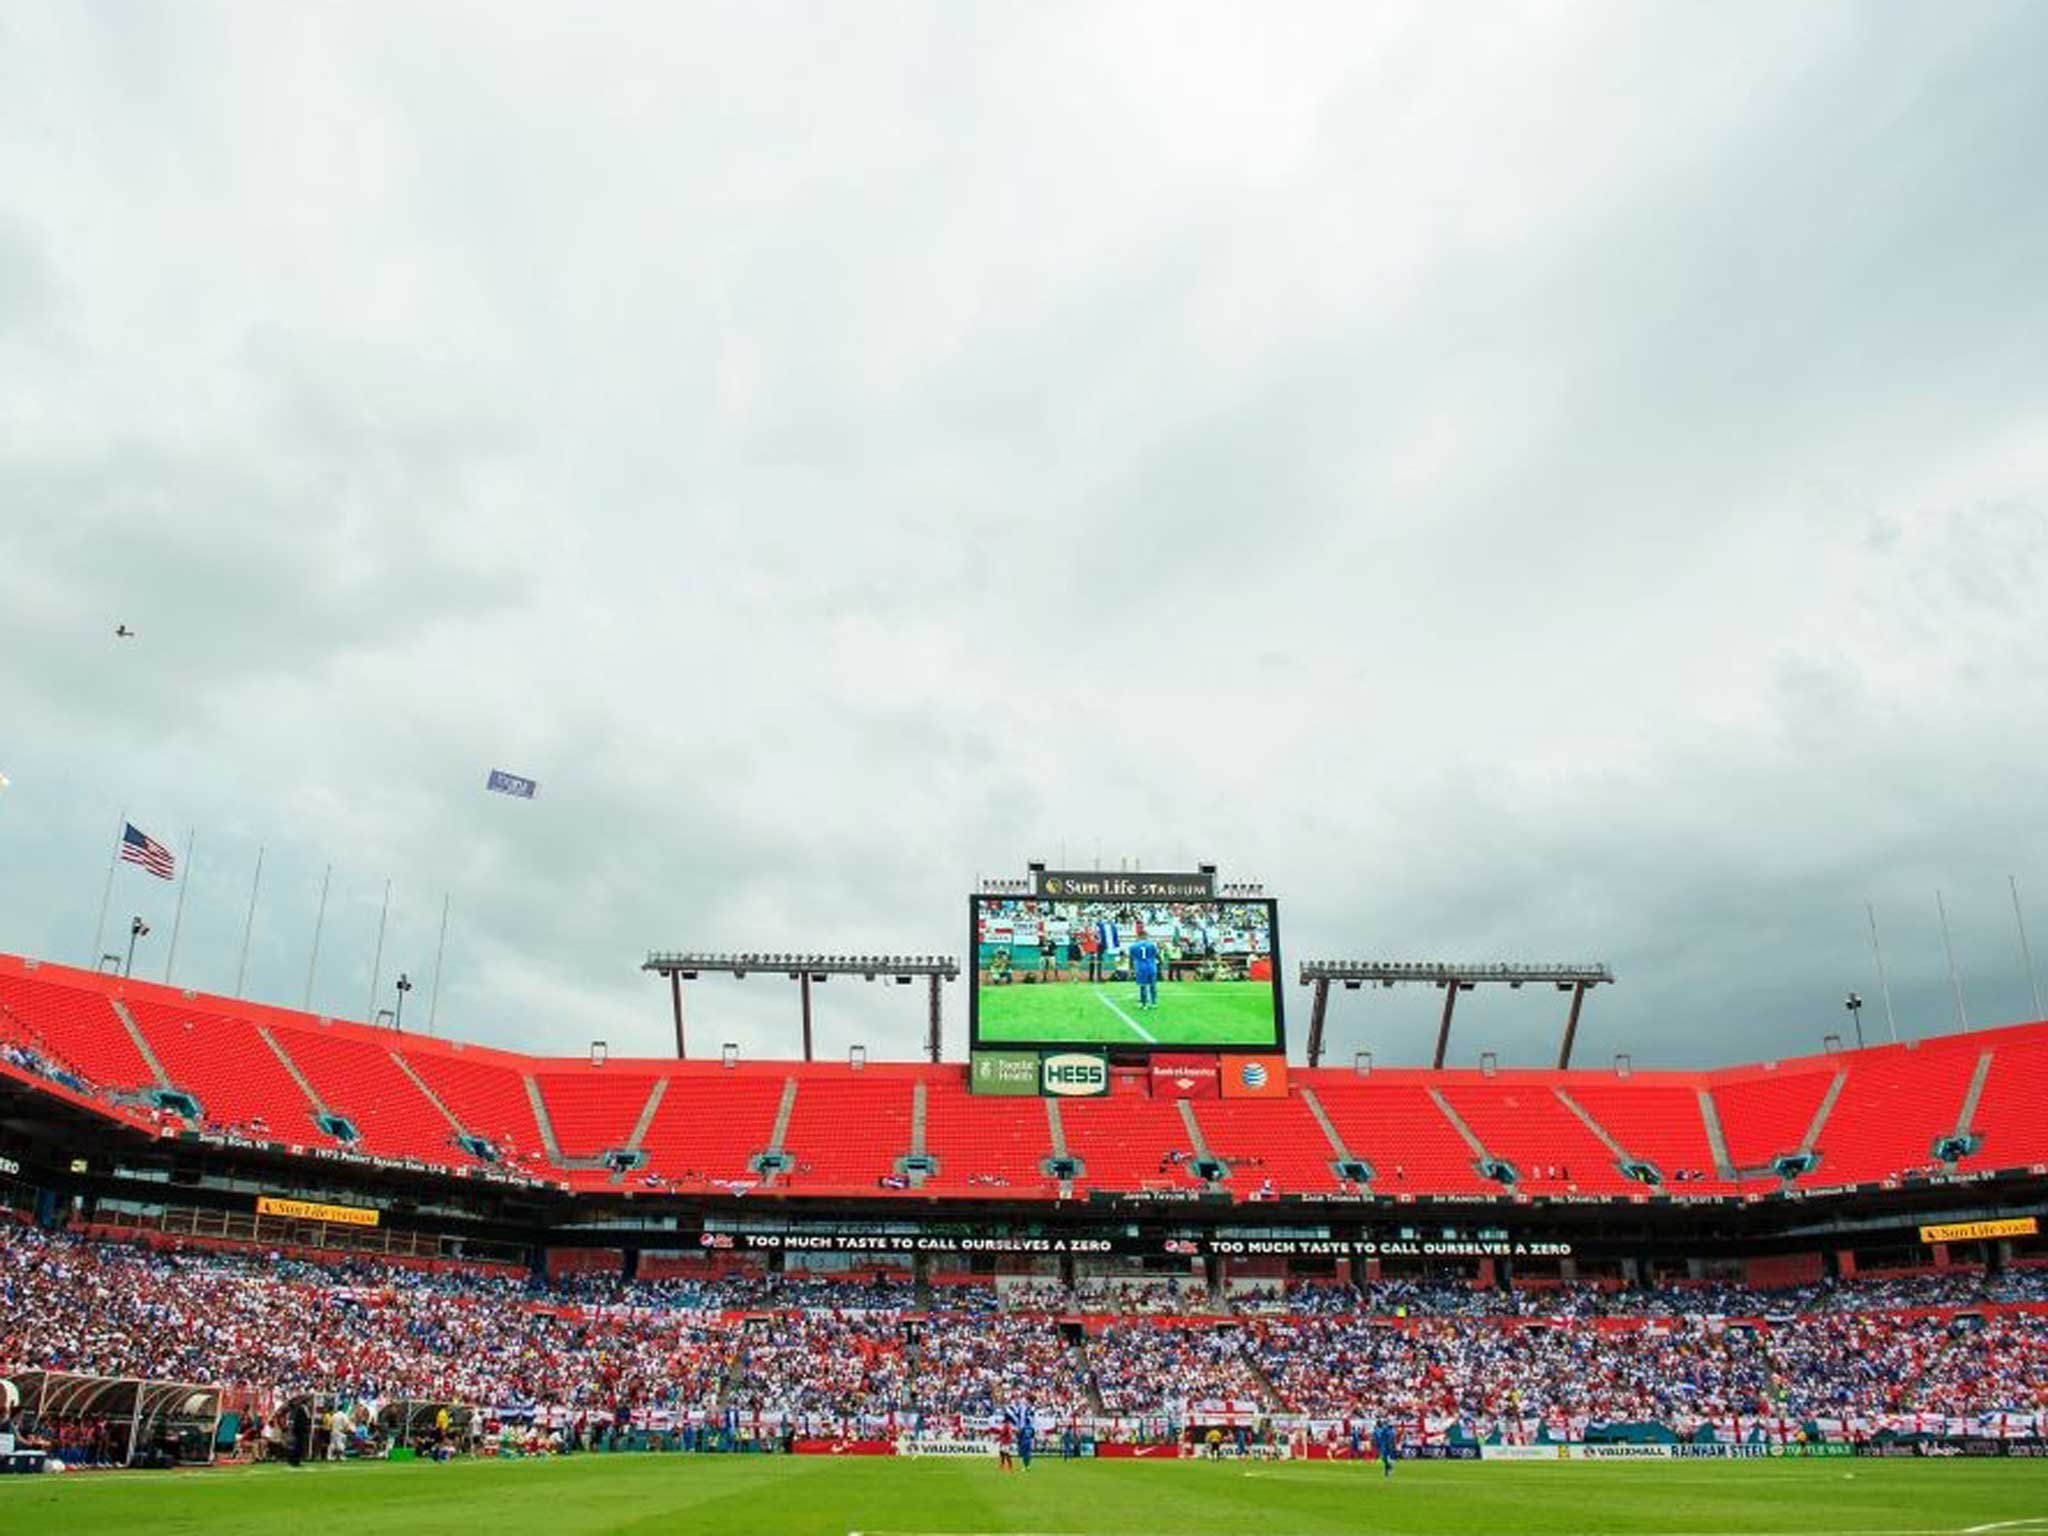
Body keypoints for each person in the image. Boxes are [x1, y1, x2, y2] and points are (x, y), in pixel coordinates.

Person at [1129, 934, 1162, 1010]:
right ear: (1146, 937)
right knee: (1153, 985)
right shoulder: (1152, 945)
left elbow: (1131, 959)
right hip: (1151, 967)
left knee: (1143, 986)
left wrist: (1131, 969)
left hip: (1141, 968)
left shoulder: (1133, 946)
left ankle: (1144, 1004)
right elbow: (1157, 956)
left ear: (1139, 937)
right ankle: (1154, 1003)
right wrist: (1160, 962)